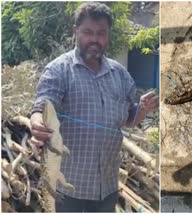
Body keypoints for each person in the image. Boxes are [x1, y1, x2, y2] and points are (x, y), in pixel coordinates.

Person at [30, 2, 158, 212]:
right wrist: (37, 121)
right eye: (88, 32)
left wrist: (142, 108)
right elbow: (44, 102)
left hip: (107, 188)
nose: (95, 40)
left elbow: (128, 119)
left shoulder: (120, 75)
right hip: (69, 190)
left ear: (108, 35)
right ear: (75, 32)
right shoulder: (59, 70)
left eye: (101, 33)